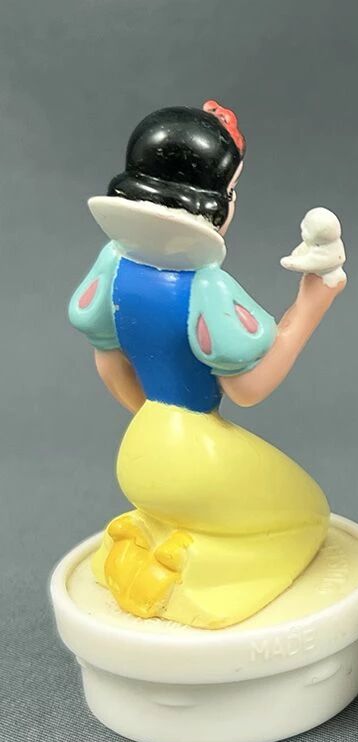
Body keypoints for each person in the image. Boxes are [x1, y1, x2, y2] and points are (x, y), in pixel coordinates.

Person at [69, 102, 343, 628]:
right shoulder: (205, 286)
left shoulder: (113, 265)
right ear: (212, 204)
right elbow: (249, 389)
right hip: (194, 449)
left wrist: (155, 422)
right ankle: (195, 567)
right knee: (307, 514)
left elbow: (110, 367)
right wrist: (312, 303)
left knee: (178, 507)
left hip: (140, 450)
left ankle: (141, 538)